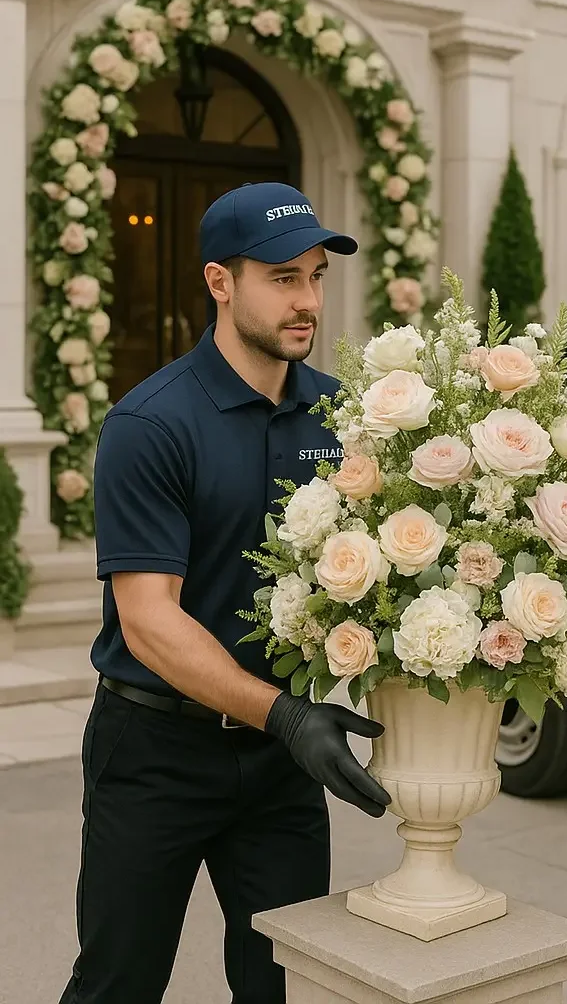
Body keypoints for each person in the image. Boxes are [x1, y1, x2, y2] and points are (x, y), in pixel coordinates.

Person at [60, 182, 392, 1004]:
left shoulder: (341, 418)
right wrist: (288, 715)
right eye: (283, 278)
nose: (308, 300)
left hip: (282, 763)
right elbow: (147, 623)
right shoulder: (152, 425)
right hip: (155, 753)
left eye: (316, 277)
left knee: (283, 987)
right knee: (118, 985)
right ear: (220, 282)